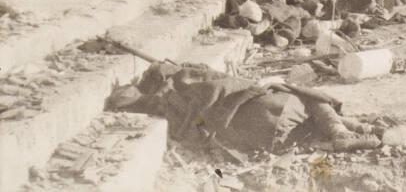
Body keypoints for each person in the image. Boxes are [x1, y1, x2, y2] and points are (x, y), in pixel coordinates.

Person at [106, 61, 381, 154]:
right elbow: (225, 84)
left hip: (262, 139)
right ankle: (343, 131)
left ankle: (351, 129)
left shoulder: (170, 101)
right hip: (277, 114)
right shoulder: (190, 81)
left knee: (304, 121)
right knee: (304, 96)